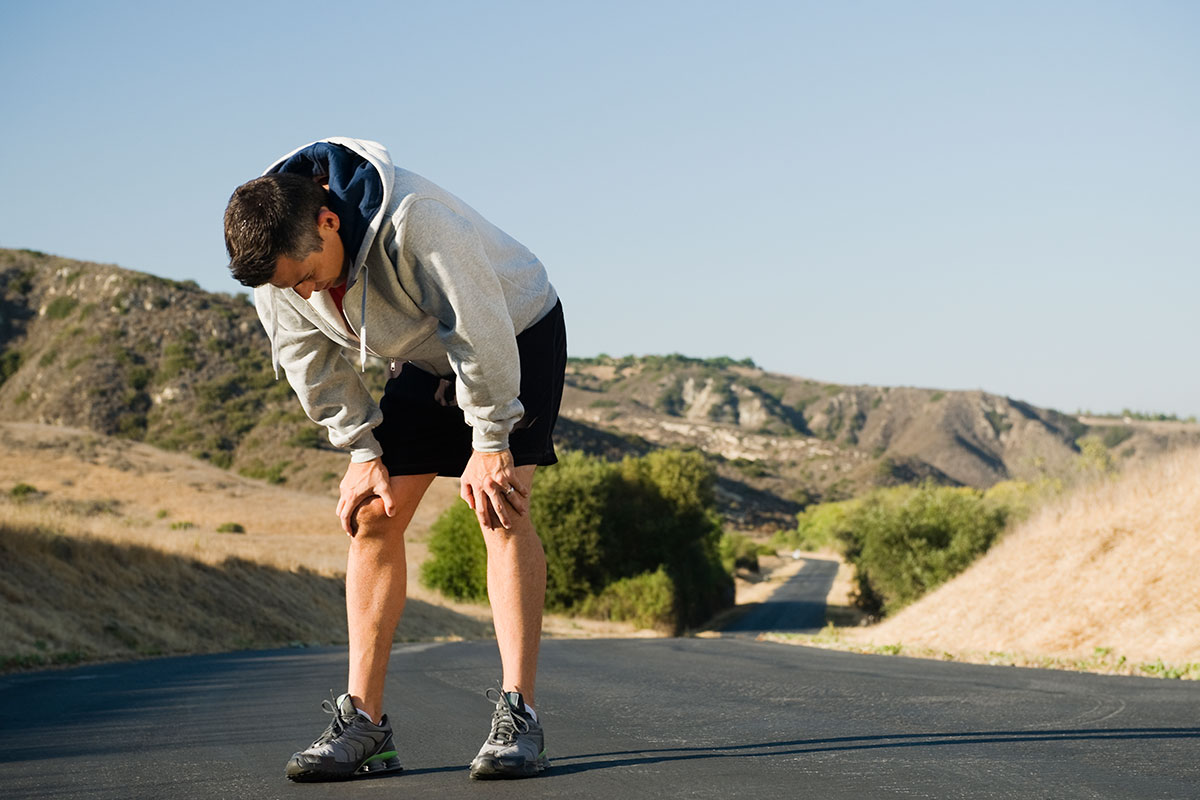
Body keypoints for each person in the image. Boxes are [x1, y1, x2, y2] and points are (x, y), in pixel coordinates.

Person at [222, 137, 565, 782]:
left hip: (511, 329)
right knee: (374, 516)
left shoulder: (417, 222)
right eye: (288, 285)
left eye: (306, 275)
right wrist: (360, 448)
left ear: (328, 220)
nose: (303, 290)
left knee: (498, 507)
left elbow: (477, 328)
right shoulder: (278, 257)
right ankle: (365, 727)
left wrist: (491, 440)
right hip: (426, 351)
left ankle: (520, 718)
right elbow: (308, 361)